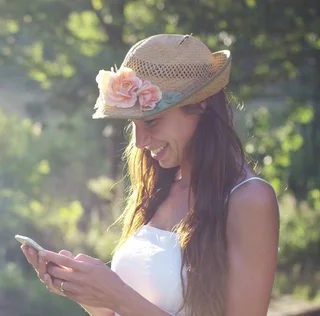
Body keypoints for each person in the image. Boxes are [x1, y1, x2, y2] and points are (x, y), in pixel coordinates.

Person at [21, 34, 280, 316]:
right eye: (134, 124)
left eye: (152, 121)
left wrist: (117, 296)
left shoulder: (249, 199)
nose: (140, 141)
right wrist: (87, 292)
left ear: (201, 104)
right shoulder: (160, 186)